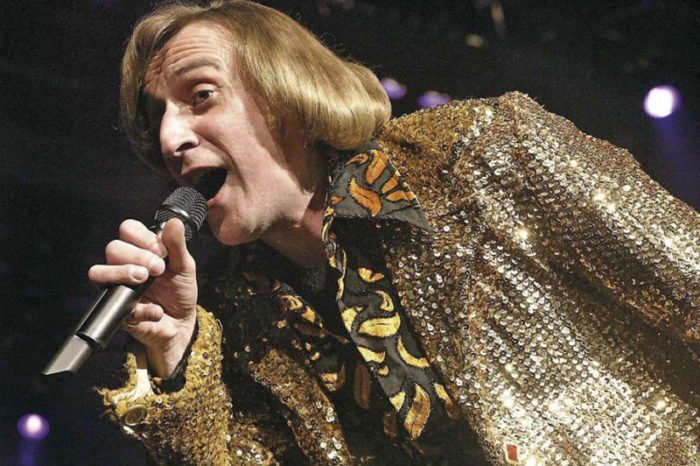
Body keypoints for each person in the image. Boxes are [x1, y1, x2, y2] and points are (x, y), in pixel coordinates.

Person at [93, 1, 699, 465]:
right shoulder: (236, 320)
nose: (170, 139)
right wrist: (177, 359)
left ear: (287, 93)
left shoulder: (481, 156)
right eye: (158, 116)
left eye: (200, 96)